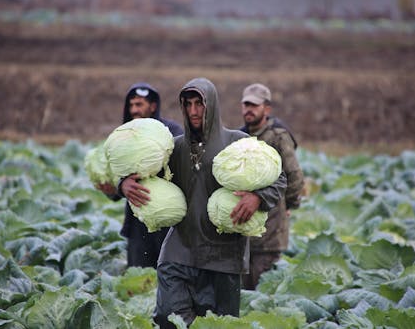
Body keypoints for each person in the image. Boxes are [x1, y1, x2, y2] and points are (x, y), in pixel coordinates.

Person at [119, 77, 287, 328]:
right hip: (179, 251)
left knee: (220, 324)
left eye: (200, 104)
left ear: (213, 106)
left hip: (223, 257)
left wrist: (257, 197)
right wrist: (124, 184)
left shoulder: (237, 142)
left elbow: (279, 178)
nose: (194, 111)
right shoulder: (173, 148)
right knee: (168, 318)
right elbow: (140, 168)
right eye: (187, 104)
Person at [97, 82, 183, 268]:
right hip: (138, 220)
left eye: (139, 104)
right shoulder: (124, 136)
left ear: (153, 106)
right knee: (139, 277)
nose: (134, 110)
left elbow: (183, 169)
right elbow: (116, 179)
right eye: (131, 105)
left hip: (166, 219)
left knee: (168, 276)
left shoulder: (170, 132)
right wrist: (117, 187)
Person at [239, 83, 304, 290]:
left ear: (266, 109)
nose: (249, 109)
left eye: (254, 105)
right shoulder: (240, 136)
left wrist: (288, 206)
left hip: (270, 230)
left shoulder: (278, 137)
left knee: (262, 288)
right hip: (245, 229)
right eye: (246, 104)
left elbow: (293, 175)